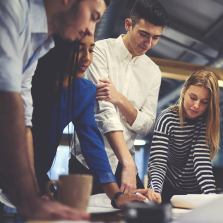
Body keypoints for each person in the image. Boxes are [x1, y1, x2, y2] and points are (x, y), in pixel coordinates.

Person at [0, 0, 110, 220]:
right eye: (93, 16)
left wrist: (34, 195)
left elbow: (24, 119)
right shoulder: (12, 7)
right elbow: (7, 97)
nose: (90, 29)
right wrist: (29, 200)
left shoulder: (41, 43)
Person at [32, 35, 161, 207]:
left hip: (37, 171)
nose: (87, 58)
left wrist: (116, 196)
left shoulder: (83, 92)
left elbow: (92, 143)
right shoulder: (28, 81)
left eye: (91, 50)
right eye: (79, 50)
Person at [70, 0, 169, 195]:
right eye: (144, 34)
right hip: (87, 162)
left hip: (124, 167)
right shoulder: (98, 50)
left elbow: (147, 126)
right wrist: (128, 163)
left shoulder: (153, 72)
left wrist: (121, 99)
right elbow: (103, 111)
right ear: (128, 25)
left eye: (156, 37)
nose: (148, 43)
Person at [147, 70, 220, 204]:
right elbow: (158, 162)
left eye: (204, 102)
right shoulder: (167, 118)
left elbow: (202, 162)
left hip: (194, 192)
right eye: (193, 97)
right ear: (184, 92)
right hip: (166, 188)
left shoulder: (205, 122)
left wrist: (211, 197)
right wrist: (156, 190)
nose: (196, 106)